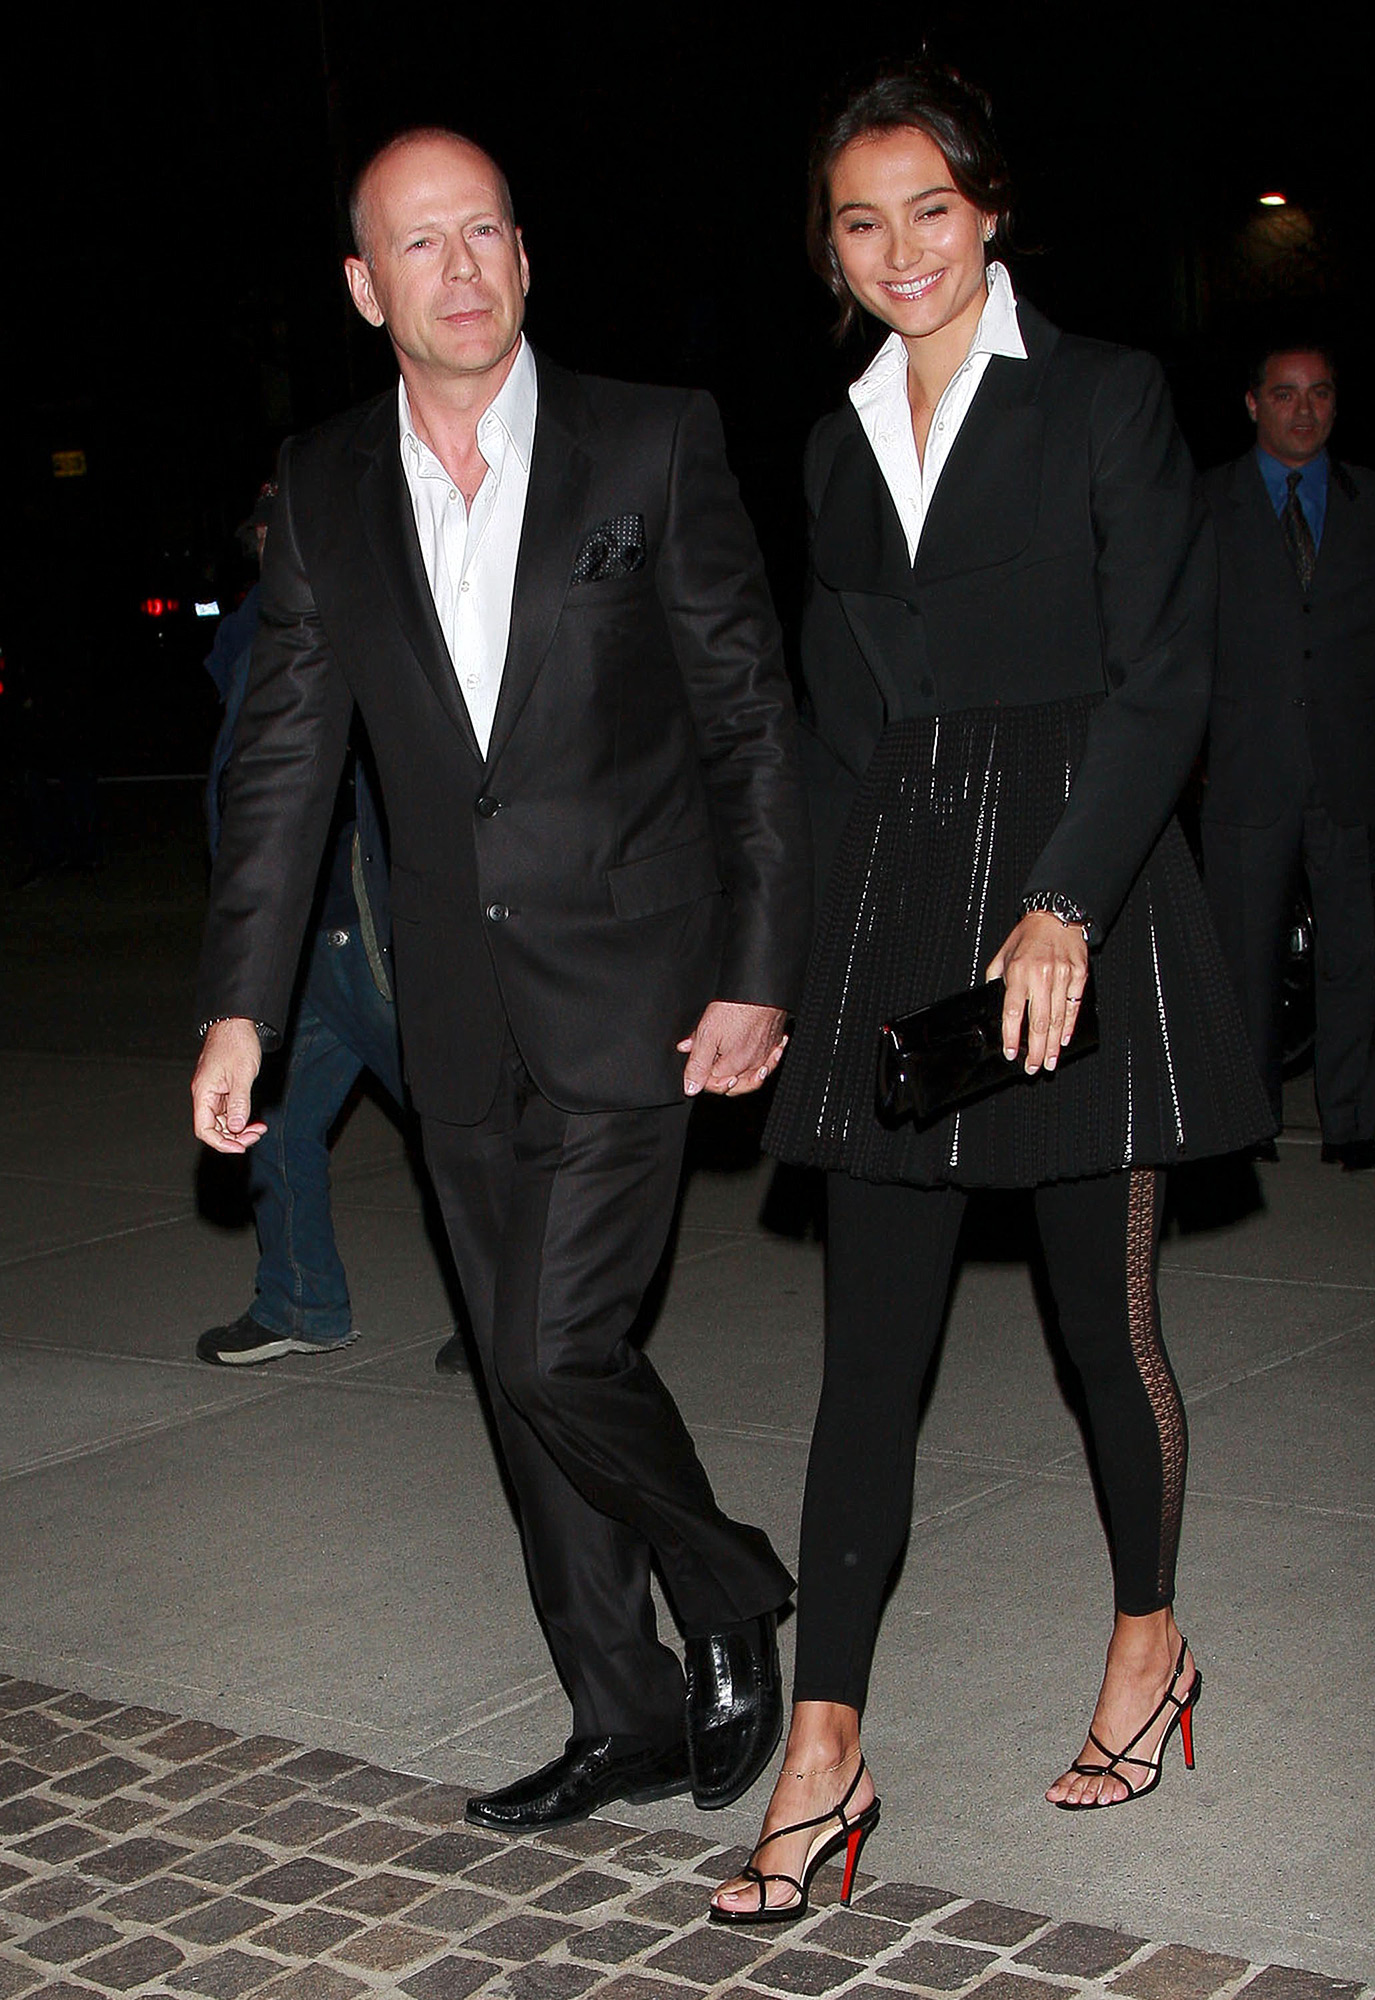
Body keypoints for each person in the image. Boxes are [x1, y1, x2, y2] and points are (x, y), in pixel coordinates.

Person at [190, 128, 811, 1829]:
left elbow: (752, 723)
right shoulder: (324, 484)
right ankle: (623, 1714)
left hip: (639, 992)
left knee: (547, 1350)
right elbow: (284, 766)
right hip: (454, 1015)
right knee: (526, 1393)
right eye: (420, 241)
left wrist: (760, 965)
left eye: (484, 233)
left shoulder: (652, 440)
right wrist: (241, 1004)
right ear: (363, 286)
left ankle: (731, 1583)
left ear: (525, 257)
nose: (459, 269)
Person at [711, 64, 1271, 1923]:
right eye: (860, 222)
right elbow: (832, 736)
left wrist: (1063, 902)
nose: (900, 251)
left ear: (991, 209)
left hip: (1076, 890)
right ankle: (824, 1750)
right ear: (830, 247)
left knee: (1102, 1327)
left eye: (930, 210)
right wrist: (786, 974)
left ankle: (1148, 1645)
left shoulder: (1101, 395)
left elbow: (1163, 678)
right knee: (867, 1363)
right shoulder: (832, 444)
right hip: (902, 898)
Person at [195, 483, 406, 1367]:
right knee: (274, 1124)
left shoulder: (352, 606)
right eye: (266, 524)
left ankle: (528, 1322)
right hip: (289, 935)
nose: (275, 536)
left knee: (461, 1120)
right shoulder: (256, 622)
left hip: (351, 912)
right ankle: (301, 1303)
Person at [1200, 346, 1375, 1171]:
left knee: (1356, 954)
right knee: (1241, 959)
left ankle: (1351, 1126)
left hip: (1353, 765)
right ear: (1251, 403)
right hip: (1245, 765)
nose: (1303, 410)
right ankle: (1245, 1122)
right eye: (1285, 394)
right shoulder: (1201, 503)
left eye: (1319, 394)